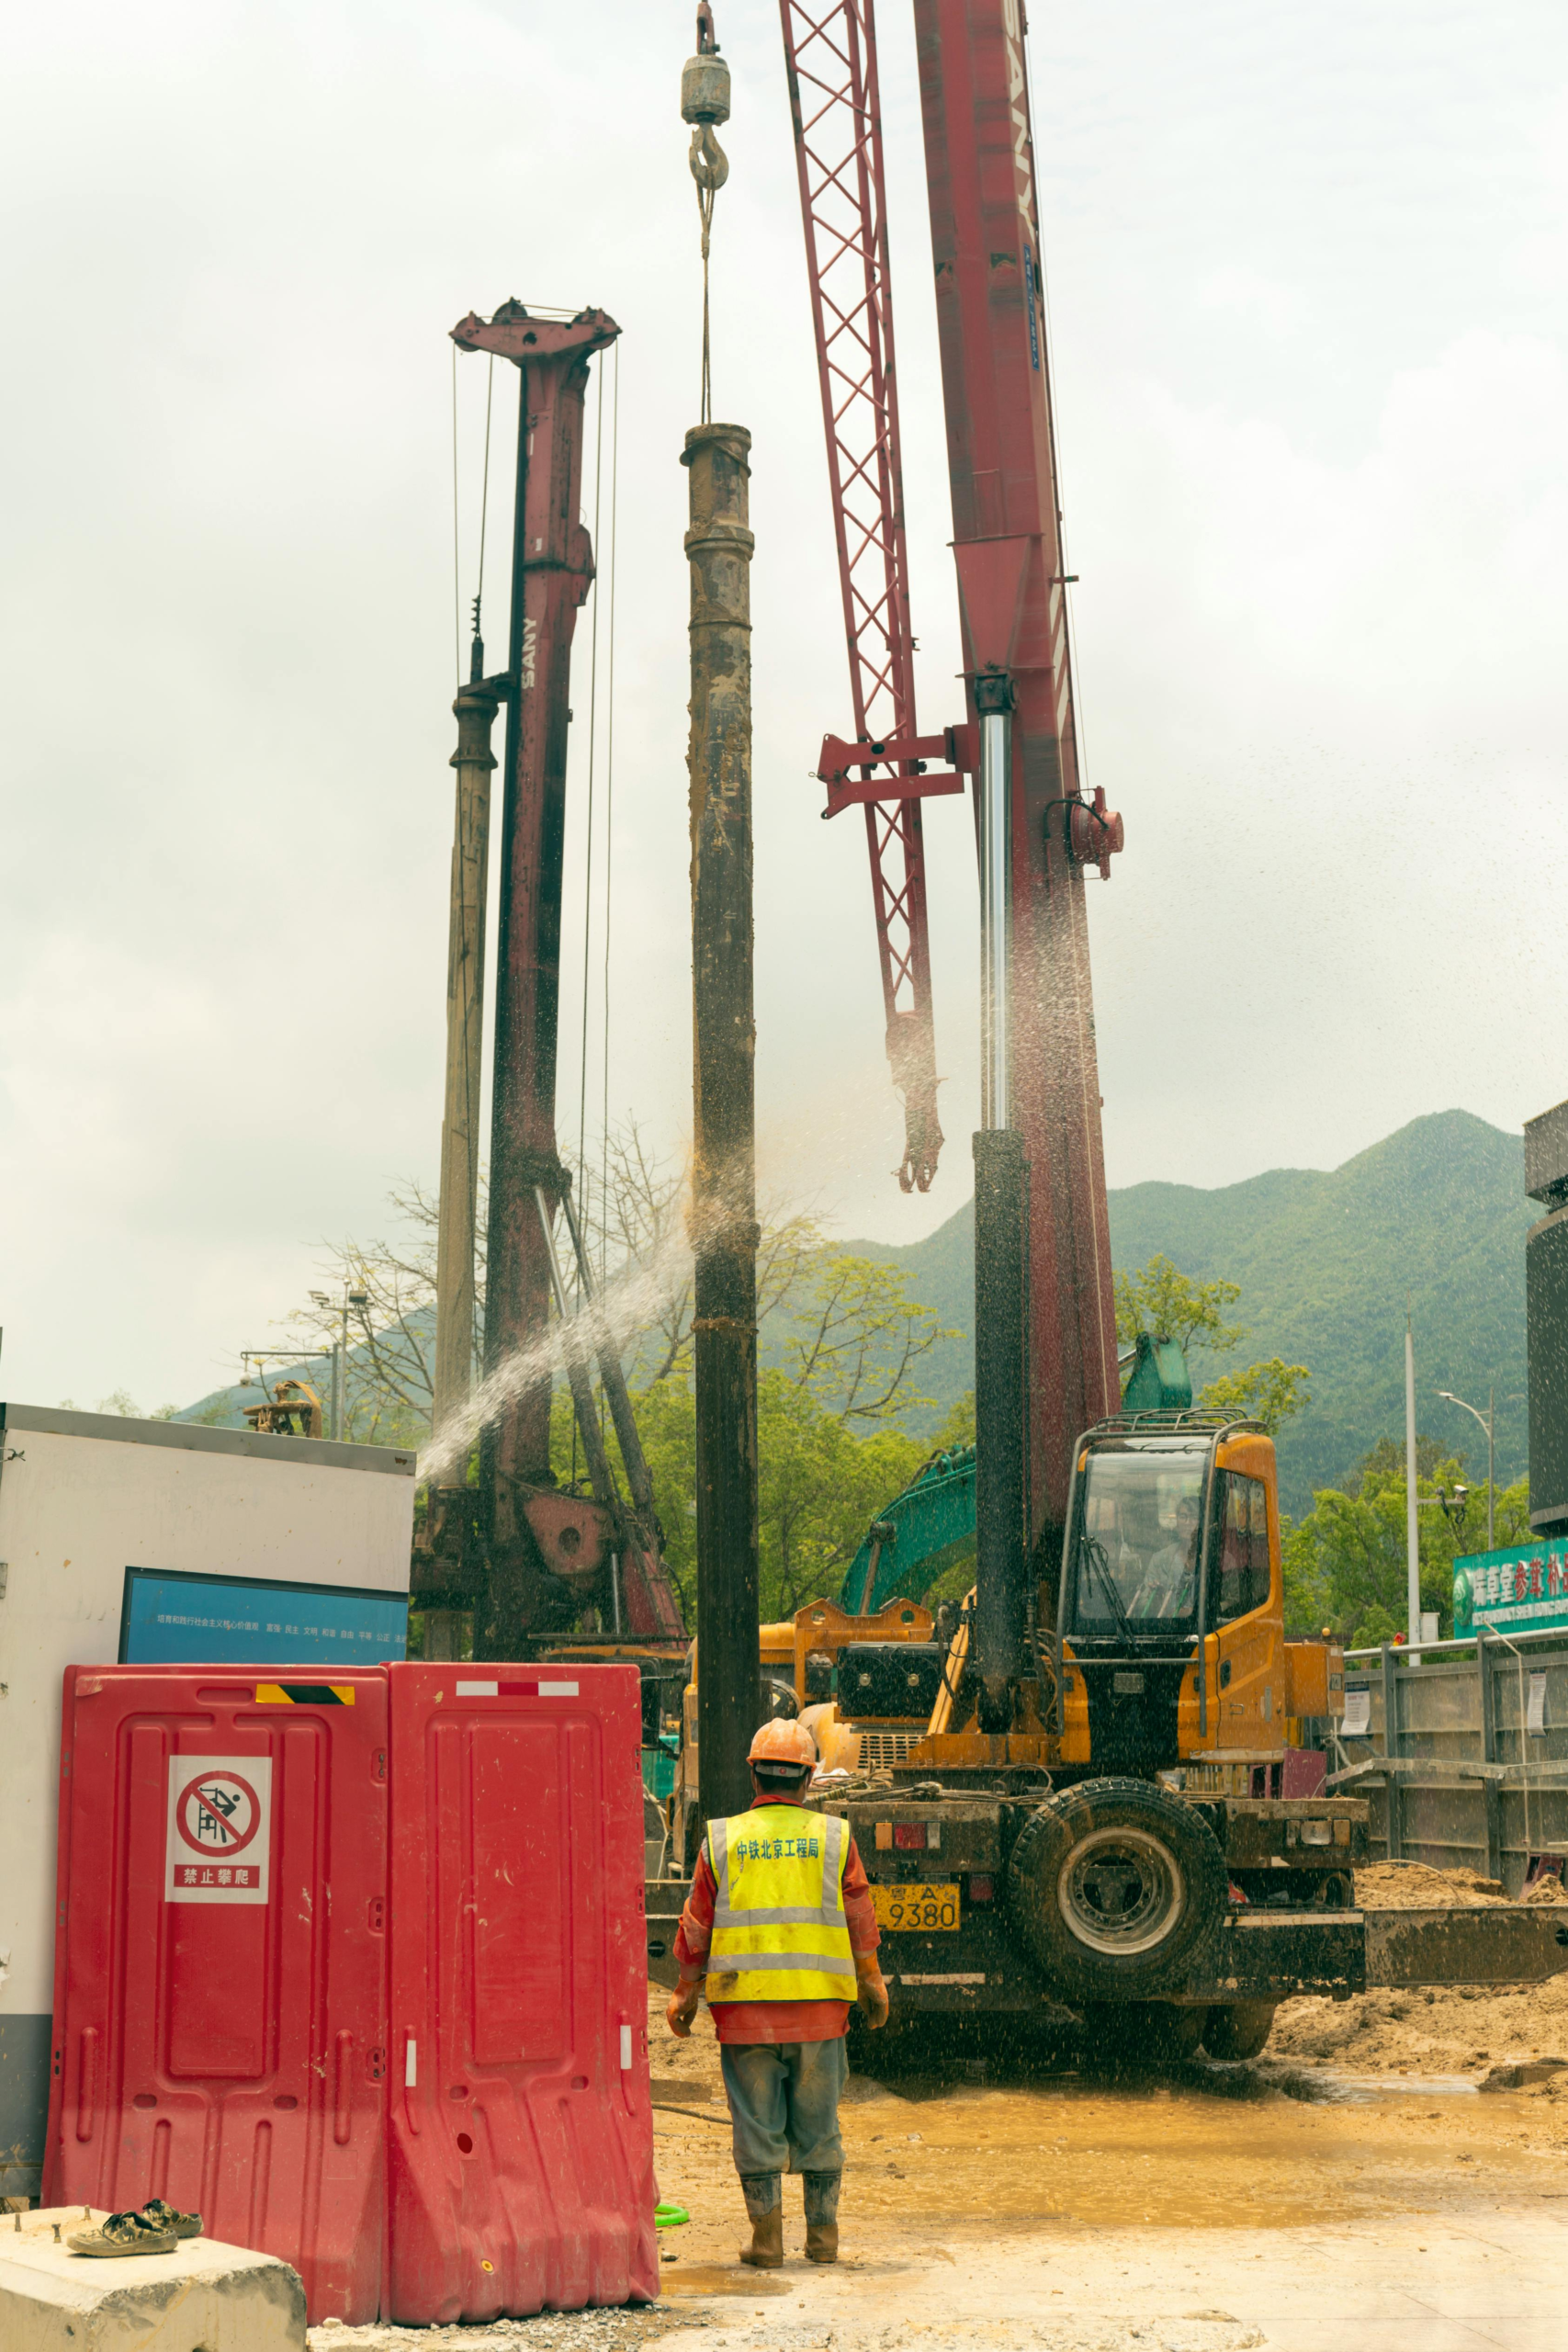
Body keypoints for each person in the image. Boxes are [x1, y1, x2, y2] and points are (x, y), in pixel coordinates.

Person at [665, 1718, 889, 2269]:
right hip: (820, 2013)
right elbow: (859, 1913)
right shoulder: (835, 1838)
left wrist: (683, 1995)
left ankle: (767, 2243)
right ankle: (824, 2240)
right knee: (819, 2126)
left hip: (745, 2018)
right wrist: (872, 1981)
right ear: (809, 1779)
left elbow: (698, 1926)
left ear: (754, 1775)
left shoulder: (722, 1838)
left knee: (757, 2126)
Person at [1133, 1493, 1201, 1620]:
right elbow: (1142, 1605)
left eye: (1193, 1517)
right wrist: (1155, 1599)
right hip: (1166, 1631)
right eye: (1183, 1517)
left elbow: (1229, 1602)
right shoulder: (1160, 1560)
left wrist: (1192, 1611)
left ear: (1202, 1522)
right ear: (1177, 1521)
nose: (1187, 1523)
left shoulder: (1221, 1559)